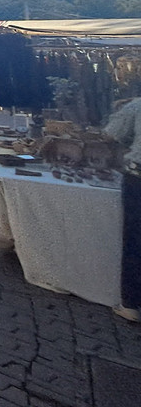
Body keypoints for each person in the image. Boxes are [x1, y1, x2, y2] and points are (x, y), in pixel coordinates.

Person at [105, 98, 141, 322]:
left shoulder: (137, 105)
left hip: (138, 178)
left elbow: (111, 134)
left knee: (135, 240)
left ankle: (130, 303)